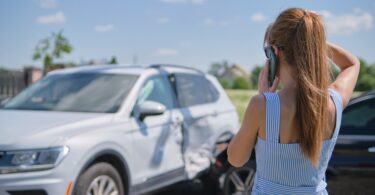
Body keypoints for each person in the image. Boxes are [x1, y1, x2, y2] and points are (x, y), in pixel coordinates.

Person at [227, 7, 360, 195]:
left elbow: (236, 159)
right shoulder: (334, 101)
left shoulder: (261, 105)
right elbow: (352, 63)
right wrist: (312, 40)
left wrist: (263, 97)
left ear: (274, 52)